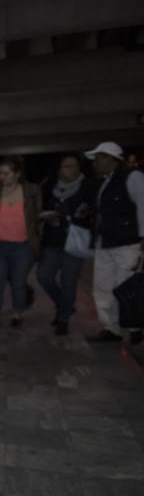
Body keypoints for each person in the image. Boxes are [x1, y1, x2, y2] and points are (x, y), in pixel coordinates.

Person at [83, 142, 144, 345]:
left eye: (98, 158)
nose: (95, 163)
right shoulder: (105, 182)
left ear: (110, 158)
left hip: (126, 244)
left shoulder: (132, 177)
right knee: (102, 288)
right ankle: (112, 328)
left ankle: (135, 328)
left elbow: (143, 207)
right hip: (105, 242)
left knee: (126, 288)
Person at [36, 154, 97, 336]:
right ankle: (64, 305)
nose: (73, 169)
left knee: (69, 282)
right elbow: (36, 210)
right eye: (68, 166)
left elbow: (95, 210)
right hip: (52, 240)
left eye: (75, 166)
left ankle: (63, 319)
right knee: (44, 276)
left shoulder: (88, 186)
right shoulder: (48, 186)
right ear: (59, 170)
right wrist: (45, 216)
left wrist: (83, 215)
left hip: (75, 241)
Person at [0, 156, 42, 333]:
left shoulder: (31, 191)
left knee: (19, 283)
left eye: (6, 174)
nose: (2, 177)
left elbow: (36, 217)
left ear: (17, 174)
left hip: (22, 246)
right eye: (0, 174)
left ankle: (18, 314)